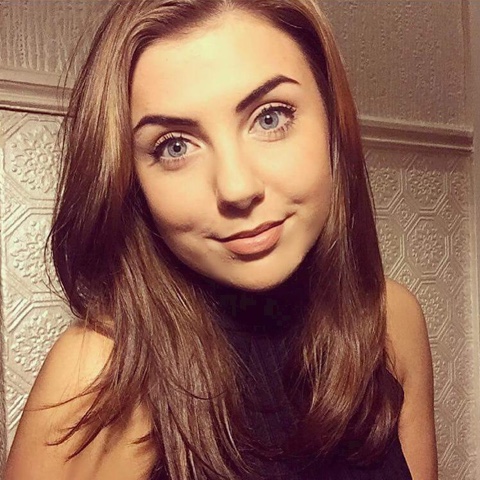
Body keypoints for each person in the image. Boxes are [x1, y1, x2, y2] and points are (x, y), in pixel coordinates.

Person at [5, 0, 437, 479]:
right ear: (130, 181)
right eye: (174, 146)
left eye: (270, 117)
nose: (236, 188)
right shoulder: (95, 378)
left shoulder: (391, 320)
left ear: (334, 121)